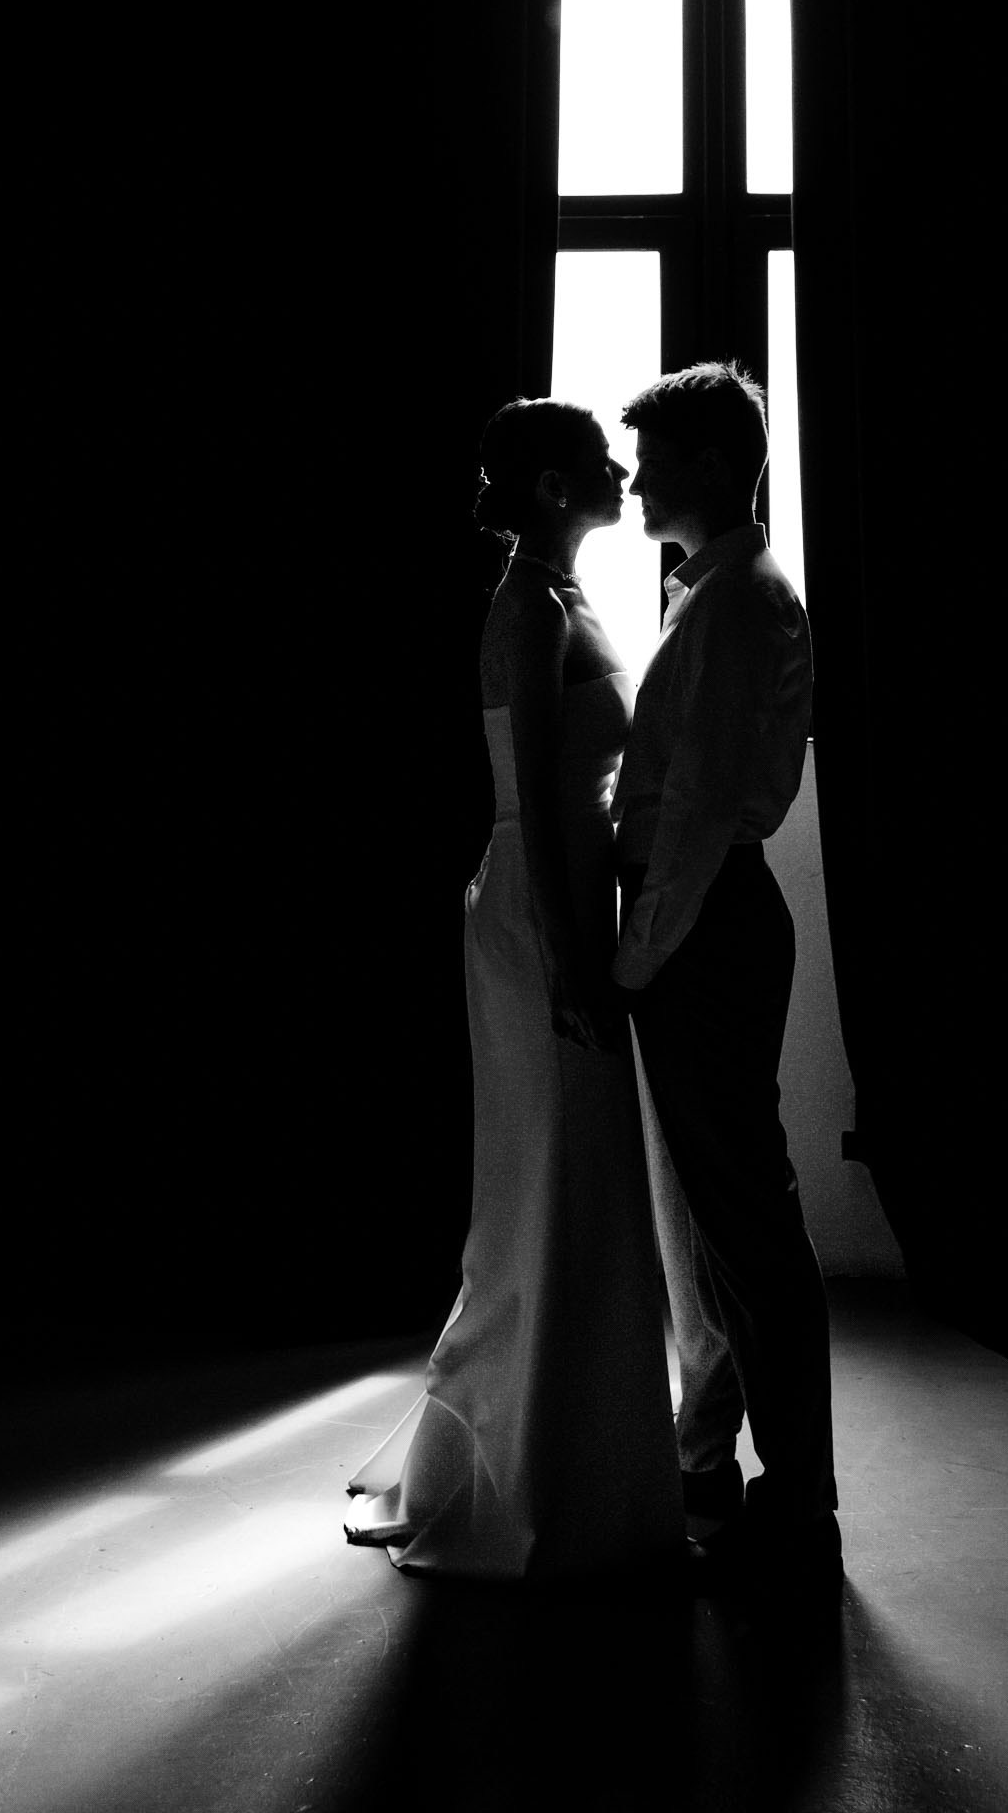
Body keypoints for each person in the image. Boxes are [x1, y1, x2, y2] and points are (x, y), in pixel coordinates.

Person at [345, 399, 682, 1579]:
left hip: (566, 902)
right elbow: (537, 793)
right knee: (549, 1175)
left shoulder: (563, 594)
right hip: (539, 913)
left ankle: (582, 1451)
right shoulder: (526, 606)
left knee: (578, 1177)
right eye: (600, 461)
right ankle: (536, 1469)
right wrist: (571, 958)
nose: (621, 472)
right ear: (551, 485)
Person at [610, 360, 840, 1589]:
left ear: (708, 463)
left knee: (748, 1225)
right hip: (704, 919)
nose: (637, 481)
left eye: (654, 460)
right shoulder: (714, 591)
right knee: (714, 1224)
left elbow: (697, 808)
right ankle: (717, 1465)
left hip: (704, 924)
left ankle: (799, 1504)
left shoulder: (739, 601)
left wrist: (634, 956)